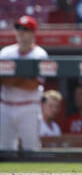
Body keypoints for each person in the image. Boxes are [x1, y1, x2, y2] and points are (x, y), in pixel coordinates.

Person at [0, 16, 47, 150]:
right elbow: (1, 81)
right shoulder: (5, 53)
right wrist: (23, 76)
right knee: (4, 150)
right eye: (18, 28)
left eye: (25, 29)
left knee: (31, 149)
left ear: (33, 33)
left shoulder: (39, 54)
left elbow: (33, 85)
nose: (21, 32)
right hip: (5, 106)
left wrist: (11, 78)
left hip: (29, 107)